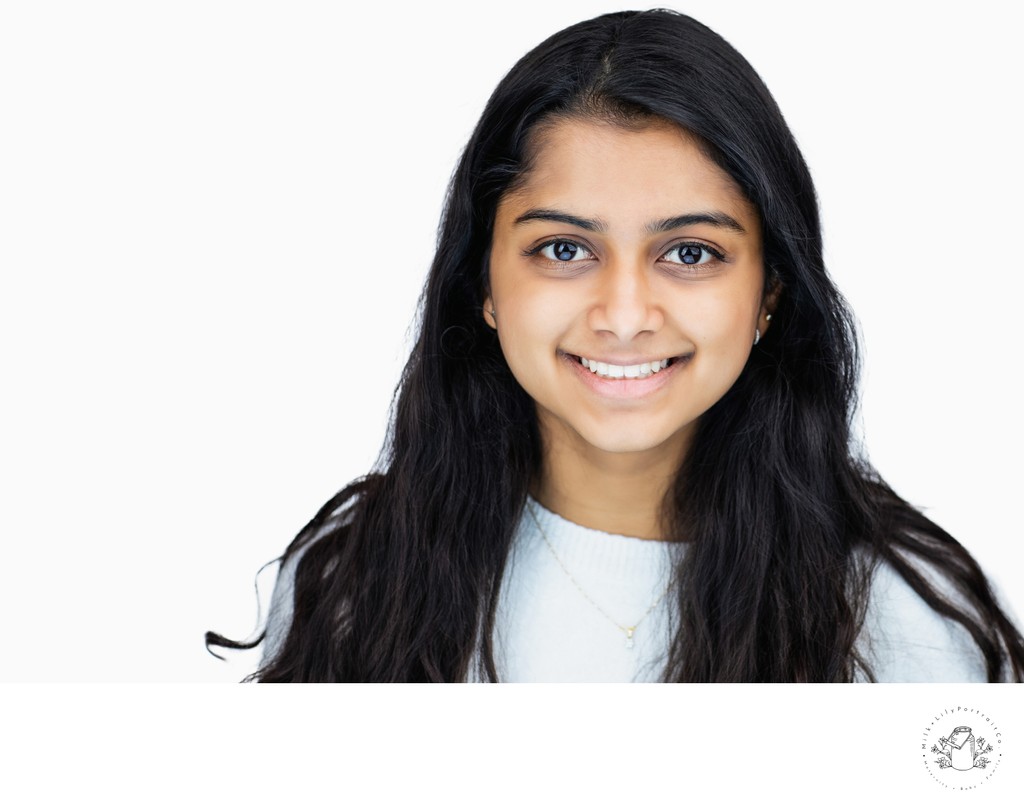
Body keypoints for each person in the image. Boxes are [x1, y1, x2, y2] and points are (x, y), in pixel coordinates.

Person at [207, 8, 1023, 682]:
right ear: (483, 284)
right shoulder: (352, 581)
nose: (625, 314)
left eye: (690, 252)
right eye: (564, 249)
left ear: (770, 291)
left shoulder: (905, 622)